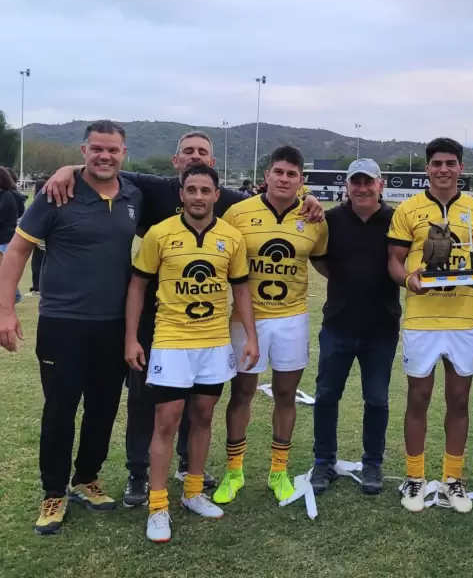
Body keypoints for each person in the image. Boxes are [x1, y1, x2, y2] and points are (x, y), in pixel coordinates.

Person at [42, 131, 325, 508]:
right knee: (150, 399)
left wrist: (312, 200)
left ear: (212, 169)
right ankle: (139, 473)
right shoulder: (151, 188)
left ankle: (191, 469)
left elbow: (280, 209)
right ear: (176, 165)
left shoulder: (232, 204)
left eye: (203, 153)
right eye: (188, 152)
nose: (195, 160)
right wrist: (68, 168)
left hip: (218, 322)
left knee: (202, 398)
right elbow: (104, 166)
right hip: (156, 317)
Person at [0, 120, 142, 536]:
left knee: (103, 407)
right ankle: (53, 492)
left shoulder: (133, 195)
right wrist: (6, 310)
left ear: (123, 153)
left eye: (113, 150)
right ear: (83, 151)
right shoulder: (56, 193)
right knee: (61, 409)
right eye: (97, 148)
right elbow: (17, 252)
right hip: (63, 323)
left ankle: (86, 478)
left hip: (112, 324)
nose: (105, 156)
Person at [125, 164, 259, 542]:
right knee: (167, 420)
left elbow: (242, 290)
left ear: (217, 195)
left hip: (214, 342)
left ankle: (193, 491)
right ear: (181, 194)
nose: (198, 196)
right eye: (191, 190)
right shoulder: (159, 233)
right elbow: (137, 287)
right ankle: (157, 505)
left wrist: (250, 336)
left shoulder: (231, 238)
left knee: (202, 416)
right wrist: (131, 338)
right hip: (171, 340)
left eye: (205, 190)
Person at [213, 145, 329, 505]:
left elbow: (326, 265)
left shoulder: (313, 219)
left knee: (284, 394)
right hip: (247, 319)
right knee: (242, 393)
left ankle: (278, 470)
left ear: (301, 181)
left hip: (292, 318)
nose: (283, 178)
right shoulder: (238, 213)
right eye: (278, 172)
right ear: (266, 176)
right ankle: (234, 471)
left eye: (291, 174)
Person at [388, 138, 473, 513]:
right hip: (421, 318)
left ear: (460, 168)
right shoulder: (409, 209)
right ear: (427, 167)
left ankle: (453, 478)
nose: (443, 169)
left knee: (459, 400)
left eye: (450, 163)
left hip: (463, 319)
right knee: (418, 398)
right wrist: (407, 280)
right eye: (437, 163)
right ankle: (414, 477)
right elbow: (395, 261)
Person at [309, 159, 401, 496]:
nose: (362, 188)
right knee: (327, 396)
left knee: (376, 400)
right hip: (338, 325)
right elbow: (318, 257)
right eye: (355, 182)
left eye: (368, 182)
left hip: (381, 327)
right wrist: (345, 280)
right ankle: (323, 461)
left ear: (381, 184)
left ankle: (373, 462)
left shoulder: (396, 220)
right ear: (347, 186)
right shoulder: (331, 220)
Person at [0, 167, 23, 303]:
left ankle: (14, 296)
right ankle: (14, 295)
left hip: (4, 238)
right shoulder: (9, 195)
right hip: (5, 237)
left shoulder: (7, 196)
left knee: (5, 271)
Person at [30, 176, 47, 294]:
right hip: (42, 240)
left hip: (40, 240)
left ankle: (37, 287)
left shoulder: (40, 203)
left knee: (38, 263)